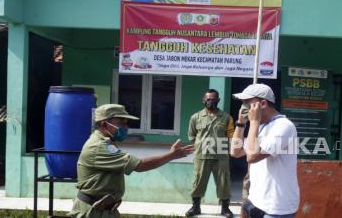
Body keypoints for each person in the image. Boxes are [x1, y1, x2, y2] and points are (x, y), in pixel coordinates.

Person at [69, 104, 194, 218]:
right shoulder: (98, 146)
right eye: (121, 123)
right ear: (104, 124)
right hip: (92, 211)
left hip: (104, 209)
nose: (126, 127)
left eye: (126, 123)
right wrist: (171, 155)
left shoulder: (107, 143)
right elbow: (140, 165)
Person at [230, 83, 299, 218]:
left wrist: (254, 122)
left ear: (263, 104)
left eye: (247, 102)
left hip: (276, 207)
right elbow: (235, 152)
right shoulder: (261, 126)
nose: (244, 106)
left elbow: (252, 157)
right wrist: (241, 123)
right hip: (256, 200)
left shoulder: (284, 127)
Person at [186, 89, 235, 218]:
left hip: (221, 156)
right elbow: (192, 136)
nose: (210, 101)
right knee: (198, 182)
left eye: (213, 99)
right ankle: (195, 207)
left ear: (218, 100)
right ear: (203, 100)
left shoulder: (226, 117)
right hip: (201, 155)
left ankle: (225, 209)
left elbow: (231, 136)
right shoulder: (195, 117)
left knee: (224, 182)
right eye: (208, 99)